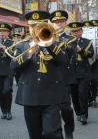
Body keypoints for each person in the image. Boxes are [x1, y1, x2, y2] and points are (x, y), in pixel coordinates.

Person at [10, 10, 69, 139]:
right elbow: (13, 67)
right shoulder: (22, 46)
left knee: (52, 133)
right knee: (35, 134)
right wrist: (29, 53)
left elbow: (63, 61)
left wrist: (49, 44)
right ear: (28, 27)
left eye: (39, 25)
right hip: (30, 95)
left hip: (52, 95)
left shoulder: (55, 43)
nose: (35, 29)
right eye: (32, 26)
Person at [50, 10, 77, 139]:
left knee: (65, 107)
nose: (58, 24)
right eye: (55, 22)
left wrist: (55, 40)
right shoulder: (46, 36)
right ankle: (56, 132)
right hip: (49, 77)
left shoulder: (70, 38)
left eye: (61, 22)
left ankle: (69, 131)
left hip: (64, 77)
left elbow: (68, 54)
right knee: (52, 108)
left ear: (65, 24)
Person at [68, 22, 94, 125]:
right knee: (74, 96)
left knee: (82, 94)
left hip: (83, 72)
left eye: (77, 31)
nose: (75, 33)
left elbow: (90, 54)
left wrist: (80, 49)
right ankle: (78, 113)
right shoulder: (66, 42)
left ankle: (84, 115)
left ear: (81, 31)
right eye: (73, 31)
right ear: (70, 32)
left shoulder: (87, 42)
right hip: (71, 73)